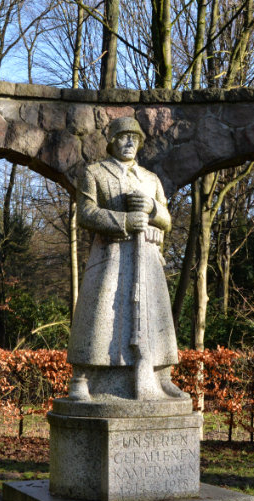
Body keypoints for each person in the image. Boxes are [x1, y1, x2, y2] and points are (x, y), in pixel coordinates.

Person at [67, 117, 187, 402]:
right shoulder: (95, 173)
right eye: (123, 137)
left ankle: (161, 376)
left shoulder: (150, 179)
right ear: (112, 141)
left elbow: (167, 221)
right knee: (98, 316)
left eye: (135, 137)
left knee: (155, 316)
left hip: (146, 256)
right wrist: (124, 220)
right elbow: (86, 213)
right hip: (110, 255)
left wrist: (153, 208)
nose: (130, 142)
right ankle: (82, 380)